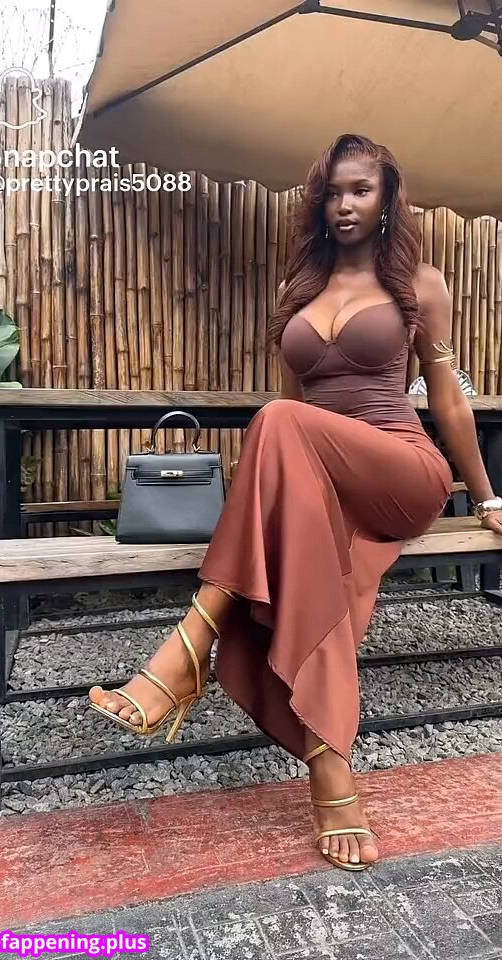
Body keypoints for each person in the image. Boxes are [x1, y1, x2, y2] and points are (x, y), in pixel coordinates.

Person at [89, 133, 502, 872]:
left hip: (401, 470)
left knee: (277, 423)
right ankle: (329, 770)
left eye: (360, 190)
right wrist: (277, 497)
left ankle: (189, 646)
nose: (345, 205)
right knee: (309, 543)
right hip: (321, 483)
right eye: (333, 192)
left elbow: (445, 397)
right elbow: (293, 410)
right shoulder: (299, 291)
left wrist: (488, 493)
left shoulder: (422, 284)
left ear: (387, 200)